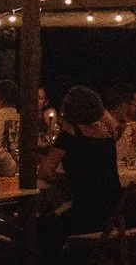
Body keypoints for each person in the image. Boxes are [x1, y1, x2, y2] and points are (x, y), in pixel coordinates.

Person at [41, 86, 123, 235]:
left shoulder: (69, 135)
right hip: (110, 216)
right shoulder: (107, 138)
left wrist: (67, 180)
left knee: (43, 227)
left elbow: (45, 172)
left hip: (84, 214)